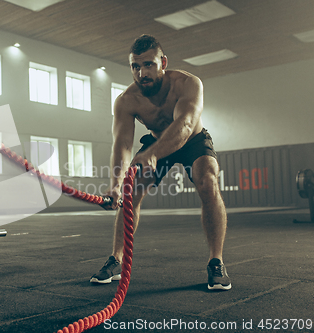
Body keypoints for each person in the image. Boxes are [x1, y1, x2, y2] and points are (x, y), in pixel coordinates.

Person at [90, 35, 231, 291]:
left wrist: (153, 154)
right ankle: (116, 260)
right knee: (130, 191)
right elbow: (121, 144)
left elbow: (186, 125)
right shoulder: (126, 100)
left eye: (148, 64)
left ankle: (216, 262)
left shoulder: (188, 84)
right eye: (135, 66)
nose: (141, 72)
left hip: (192, 139)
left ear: (162, 62)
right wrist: (115, 185)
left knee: (208, 180)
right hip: (156, 144)